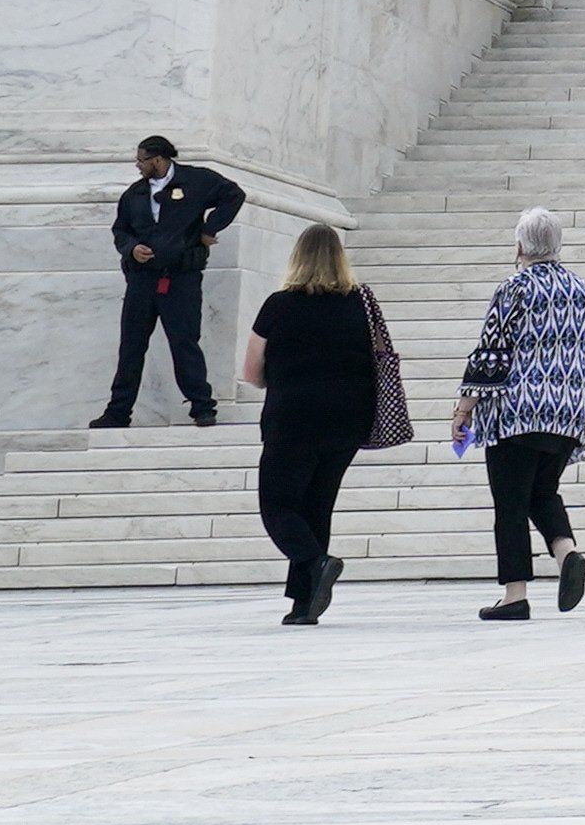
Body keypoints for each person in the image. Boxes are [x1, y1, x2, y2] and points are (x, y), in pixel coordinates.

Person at [455, 205, 585, 622]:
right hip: (568, 411)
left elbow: (491, 353)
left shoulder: (515, 287)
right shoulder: (583, 289)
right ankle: (566, 552)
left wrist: (464, 408)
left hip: (517, 410)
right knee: (542, 491)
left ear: (520, 245)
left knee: (510, 503)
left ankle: (514, 594)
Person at [241, 220, 382, 625]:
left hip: (293, 418)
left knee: (278, 505)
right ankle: (303, 604)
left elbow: (251, 372)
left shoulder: (278, 305)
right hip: (348, 420)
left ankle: (315, 562)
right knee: (317, 507)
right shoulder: (360, 305)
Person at [96, 133, 244, 427]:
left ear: (159, 159)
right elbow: (121, 230)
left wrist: (210, 229)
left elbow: (234, 195)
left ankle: (202, 407)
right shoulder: (134, 194)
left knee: (184, 342)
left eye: (142, 160)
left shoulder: (196, 181)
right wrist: (130, 249)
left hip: (180, 278)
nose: (138, 166)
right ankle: (118, 412)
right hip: (141, 281)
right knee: (131, 347)